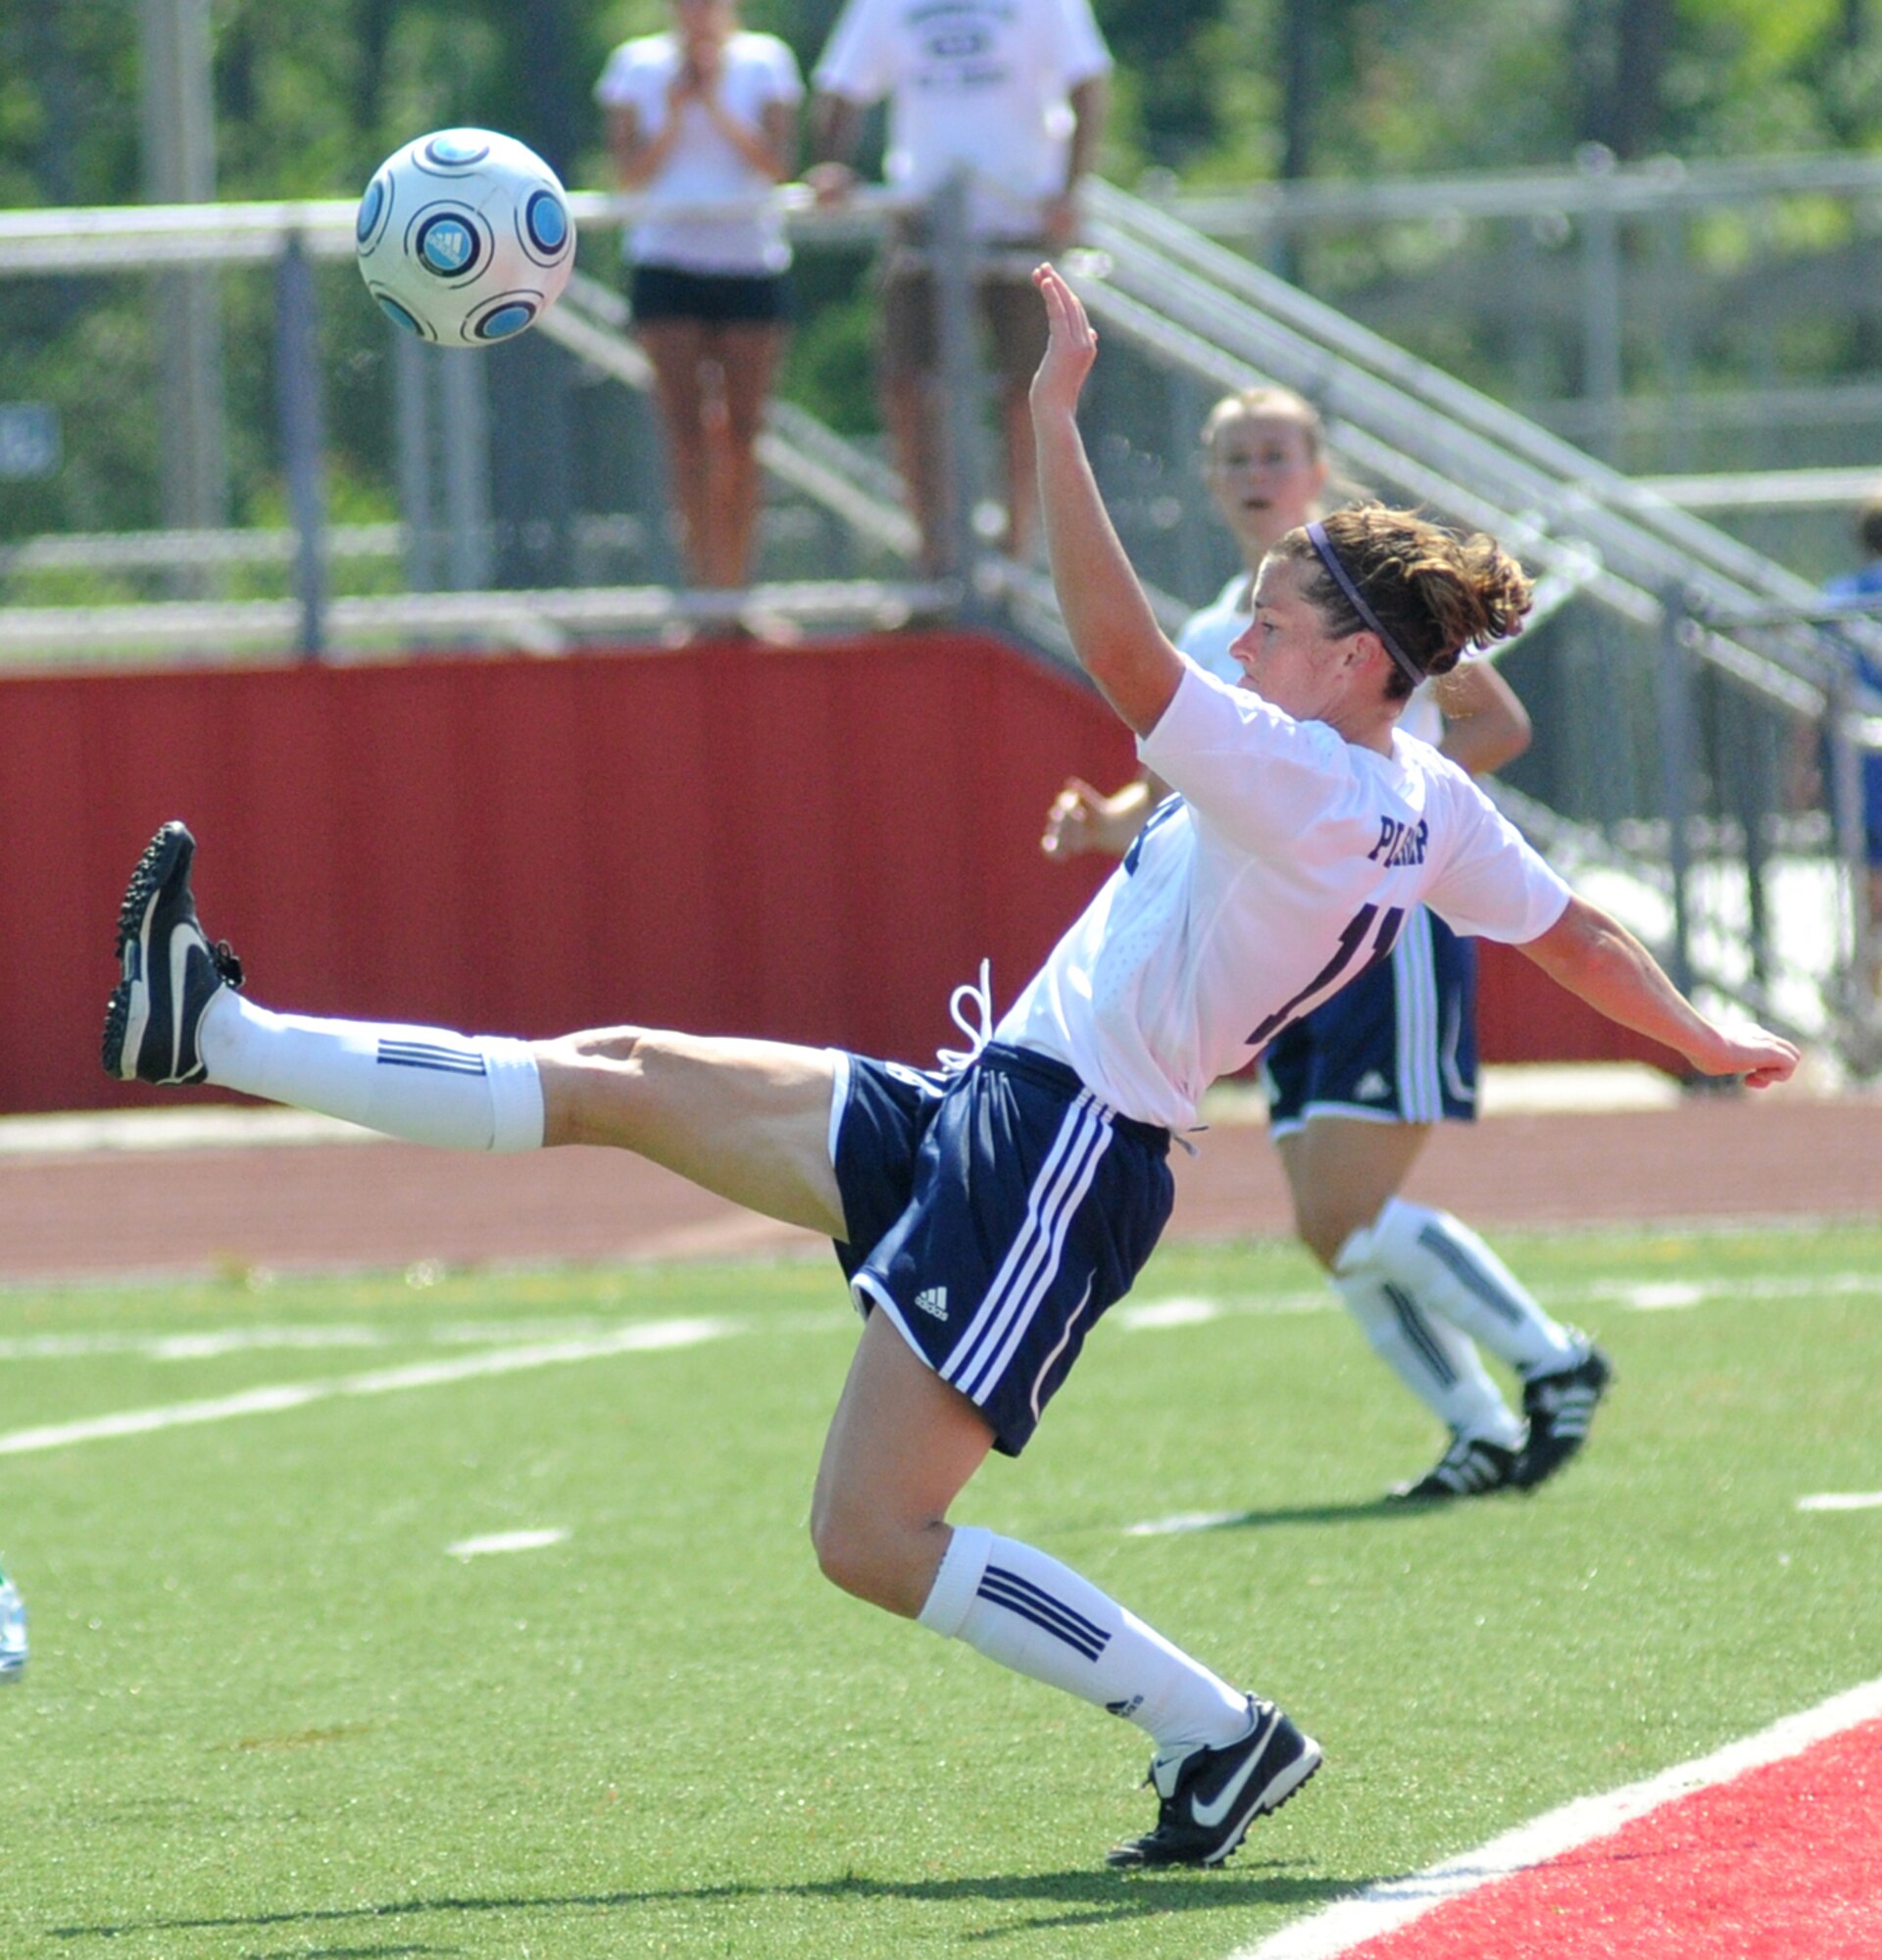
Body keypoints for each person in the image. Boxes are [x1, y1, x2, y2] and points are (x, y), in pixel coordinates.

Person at [98, 267, 1798, 1873]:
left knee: (867, 1538)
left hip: (1064, 1154)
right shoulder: (1419, 795)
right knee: (619, 1070)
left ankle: (1215, 1731)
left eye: (1272, 624)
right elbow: (1575, 935)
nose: (1245, 644)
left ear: (1355, 664)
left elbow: (1127, 660)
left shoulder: (1316, 779)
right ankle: (219, 1029)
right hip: (1001, 1105)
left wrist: (1051, 419)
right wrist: (1706, 1039)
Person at [1042, 384, 1610, 1501]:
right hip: (1274, 944)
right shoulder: (1220, 628)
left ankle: (1553, 1359)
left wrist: (1388, 829)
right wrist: (1105, 824)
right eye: (1236, 453)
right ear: (1210, 476)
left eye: (1277, 451)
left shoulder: (1368, 608)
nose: (1257, 471)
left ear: (1317, 468)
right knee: (1321, 1221)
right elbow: (1195, 782)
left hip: (1373, 932)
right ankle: (1481, 1425)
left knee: (1343, 1205)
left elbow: (1493, 722)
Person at [806, 0, 1111, 570]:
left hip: (1020, 217)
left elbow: (1088, 81)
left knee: (1030, 390)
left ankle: (1015, 552)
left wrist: (1069, 188)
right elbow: (839, 86)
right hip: (925, 222)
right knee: (906, 382)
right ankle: (936, 555)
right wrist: (831, 164)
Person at [596, 0, 803, 592]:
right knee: (685, 436)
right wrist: (675, 111)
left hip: (747, 263)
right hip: (666, 262)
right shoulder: (634, 66)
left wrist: (713, 103)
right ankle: (700, 590)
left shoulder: (766, 61)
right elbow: (629, 173)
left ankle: (736, 589)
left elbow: (776, 164)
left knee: (742, 437)